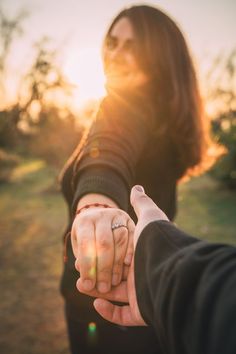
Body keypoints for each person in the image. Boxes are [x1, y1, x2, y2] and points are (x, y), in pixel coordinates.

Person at [60, 4, 208, 354]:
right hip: (142, 295)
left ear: (160, 58)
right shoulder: (165, 118)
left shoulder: (125, 105)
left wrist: (95, 204)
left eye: (134, 46)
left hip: (108, 303)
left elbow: (109, 149)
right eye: (113, 42)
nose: (117, 54)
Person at [78, 185, 236, 354]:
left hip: (155, 310)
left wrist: (159, 264)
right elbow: (108, 163)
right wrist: (94, 206)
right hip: (152, 304)